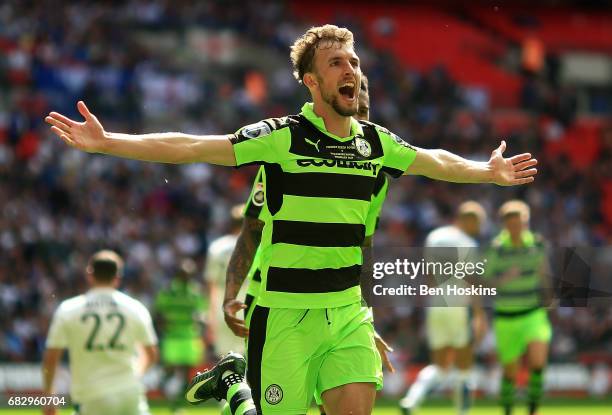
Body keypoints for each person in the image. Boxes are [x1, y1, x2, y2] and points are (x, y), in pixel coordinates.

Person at [45, 24, 537, 415]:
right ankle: (237, 390)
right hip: (283, 316)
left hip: (346, 314)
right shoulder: (281, 137)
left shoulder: (375, 143)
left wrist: (487, 172)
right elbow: (195, 146)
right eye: (337, 63)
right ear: (313, 81)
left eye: (355, 62)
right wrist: (110, 142)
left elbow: (438, 161)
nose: (352, 71)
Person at [218, 75, 395, 415]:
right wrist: (232, 294)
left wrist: (366, 316)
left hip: (340, 308)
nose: (359, 120)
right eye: (353, 110)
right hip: (277, 299)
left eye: (364, 111)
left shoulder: (376, 174)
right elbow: (252, 230)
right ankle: (237, 392)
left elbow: (364, 246)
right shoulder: (289, 158)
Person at [42, 250, 158, 415]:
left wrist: (49, 399)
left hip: (91, 396)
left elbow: (51, 359)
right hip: (129, 394)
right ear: (118, 278)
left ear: (89, 275)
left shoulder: (68, 309)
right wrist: (133, 374)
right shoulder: (135, 308)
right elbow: (151, 355)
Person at [399, 201, 488, 415]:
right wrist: (479, 314)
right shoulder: (467, 242)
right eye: (479, 223)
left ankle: (412, 400)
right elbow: (470, 280)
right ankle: (463, 412)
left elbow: (429, 275)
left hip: (436, 304)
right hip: (457, 305)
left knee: (439, 365)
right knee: (464, 363)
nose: (479, 228)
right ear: (469, 220)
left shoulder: (435, 236)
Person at [486, 200, 552, 415]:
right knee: (510, 372)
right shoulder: (496, 249)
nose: (517, 228)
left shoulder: (537, 244)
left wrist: (549, 294)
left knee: (538, 363)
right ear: (505, 225)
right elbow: (480, 281)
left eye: (521, 223)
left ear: (526, 223)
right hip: (506, 317)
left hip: (533, 313)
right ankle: (507, 409)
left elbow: (543, 271)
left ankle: (533, 410)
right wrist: (503, 279)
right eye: (512, 224)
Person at [155, 258, 206, 414]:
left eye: (189, 274)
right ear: (178, 275)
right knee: (170, 371)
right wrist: (164, 328)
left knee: (186, 373)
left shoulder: (195, 291)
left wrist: (200, 323)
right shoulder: (170, 291)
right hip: (174, 338)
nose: (187, 277)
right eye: (185, 274)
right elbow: (159, 313)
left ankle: (177, 404)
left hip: (189, 338)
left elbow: (200, 313)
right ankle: (168, 394)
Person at [205, 204, 248, 356]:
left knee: (226, 360)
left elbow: (211, 285)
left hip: (223, 306)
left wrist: (210, 317)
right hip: (249, 304)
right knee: (251, 360)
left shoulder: (217, 247)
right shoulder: (257, 246)